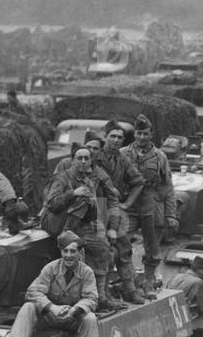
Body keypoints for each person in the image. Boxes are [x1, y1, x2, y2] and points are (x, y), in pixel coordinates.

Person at [0, 231, 100, 337]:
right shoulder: (51, 269)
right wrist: (51, 307)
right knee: (28, 307)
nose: (69, 255)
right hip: (50, 315)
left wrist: (75, 310)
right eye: (65, 251)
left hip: (73, 318)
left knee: (91, 319)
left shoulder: (86, 272)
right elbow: (32, 291)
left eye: (73, 251)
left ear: (79, 253)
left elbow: (91, 299)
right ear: (61, 252)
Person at [43, 145, 121, 310]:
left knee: (103, 249)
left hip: (81, 225)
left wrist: (92, 206)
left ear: (91, 162)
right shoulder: (62, 178)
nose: (83, 162)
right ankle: (79, 302)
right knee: (78, 253)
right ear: (72, 161)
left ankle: (100, 296)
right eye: (80, 158)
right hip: (63, 225)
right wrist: (73, 194)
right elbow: (52, 205)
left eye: (87, 158)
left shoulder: (88, 183)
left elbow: (92, 215)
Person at [120, 115, 178, 289]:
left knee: (152, 246)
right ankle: (129, 278)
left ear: (151, 134)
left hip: (151, 204)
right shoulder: (123, 154)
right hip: (128, 204)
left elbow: (168, 187)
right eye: (138, 133)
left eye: (145, 134)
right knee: (121, 241)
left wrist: (171, 214)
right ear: (134, 134)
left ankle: (149, 279)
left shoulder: (160, 157)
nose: (141, 137)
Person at [98, 120, 146, 304]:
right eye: (113, 136)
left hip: (116, 208)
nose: (116, 140)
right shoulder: (95, 156)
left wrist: (127, 204)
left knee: (124, 249)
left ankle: (130, 289)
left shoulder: (122, 159)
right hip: (97, 207)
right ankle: (103, 293)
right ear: (105, 137)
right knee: (103, 251)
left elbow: (138, 181)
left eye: (120, 137)